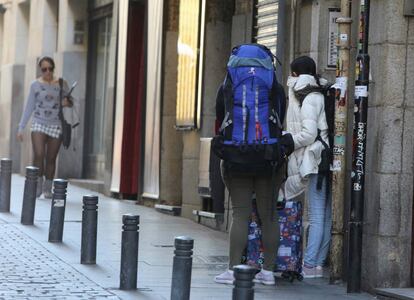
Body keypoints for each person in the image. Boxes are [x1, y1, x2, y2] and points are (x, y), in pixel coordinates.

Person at [213, 85, 289, 286]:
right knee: (269, 216)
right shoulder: (275, 86)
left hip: (236, 157)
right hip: (268, 158)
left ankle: (232, 270)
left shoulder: (228, 85)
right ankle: (268, 272)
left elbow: (220, 119)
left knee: (240, 215)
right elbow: (280, 117)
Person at [282, 56, 332, 278]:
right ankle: (318, 263)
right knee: (326, 214)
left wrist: (288, 141)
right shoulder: (317, 91)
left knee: (317, 214)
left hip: (314, 159)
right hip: (324, 156)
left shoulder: (307, 95)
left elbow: (309, 133)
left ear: (295, 73)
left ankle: (310, 264)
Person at [17, 56, 73, 198]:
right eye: (44, 69)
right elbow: (29, 107)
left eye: (50, 69)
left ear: (53, 68)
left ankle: (48, 189)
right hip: (39, 123)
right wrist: (21, 127)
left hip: (56, 124)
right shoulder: (35, 85)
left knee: (51, 158)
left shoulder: (61, 83)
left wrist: (67, 103)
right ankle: (38, 186)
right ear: (40, 70)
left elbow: (71, 102)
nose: (47, 72)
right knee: (39, 154)